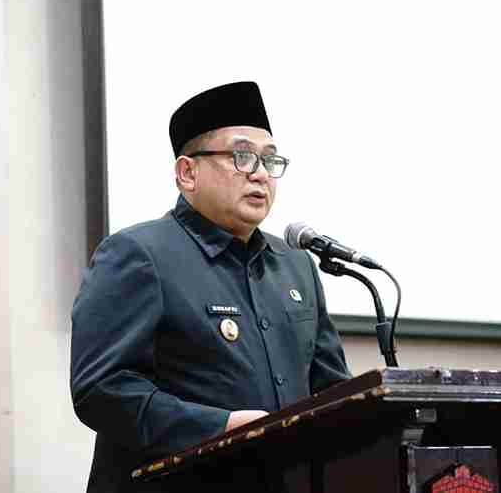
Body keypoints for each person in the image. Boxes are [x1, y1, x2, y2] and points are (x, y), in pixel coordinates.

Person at [70, 81, 350, 493]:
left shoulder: (296, 265)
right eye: (242, 156)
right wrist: (219, 427)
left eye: (270, 160)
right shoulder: (138, 254)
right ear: (188, 173)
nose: (260, 174)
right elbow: (101, 389)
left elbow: (331, 389)